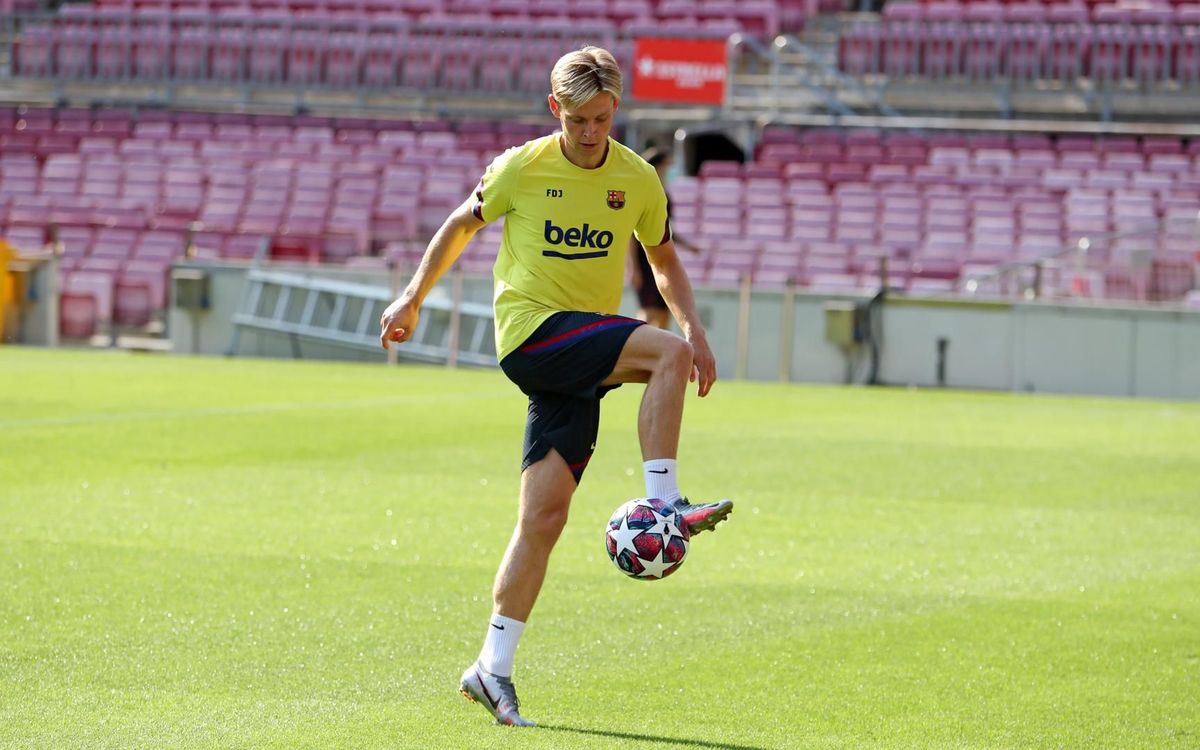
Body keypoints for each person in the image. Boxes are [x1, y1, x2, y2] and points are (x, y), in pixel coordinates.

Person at [378, 46, 733, 728]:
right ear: (555, 111)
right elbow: (461, 224)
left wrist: (697, 326)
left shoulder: (636, 179)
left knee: (542, 520)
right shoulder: (523, 166)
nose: (591, 132)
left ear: (616, 112)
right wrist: (411, 296)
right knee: (668, 356)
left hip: (579, 349)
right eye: (577, 120)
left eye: (602, 119)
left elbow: (662, 259)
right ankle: (665, 504)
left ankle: (491, 668)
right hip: (531, 333)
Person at [630, 145, 702, 329]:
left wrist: (687, 246)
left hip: (661, 256)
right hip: (645, 258)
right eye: (667, 166)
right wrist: (634, 268)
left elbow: (665, 230)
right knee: (647, 310)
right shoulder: (641, 193)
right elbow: (631, 234)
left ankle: (657, 353)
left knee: (664, 311)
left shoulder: (665, 195)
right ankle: (642, 349)